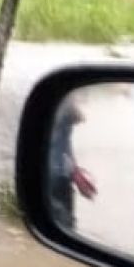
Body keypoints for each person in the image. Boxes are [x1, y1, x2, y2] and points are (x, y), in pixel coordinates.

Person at [48, 95, 97, 230]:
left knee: (62, 217)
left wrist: (75, 168)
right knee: (63, 218)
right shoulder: (63, 104)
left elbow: (66, 143)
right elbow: (80, 117)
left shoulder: (58, 106)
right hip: (57, 173)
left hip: (59, 171)